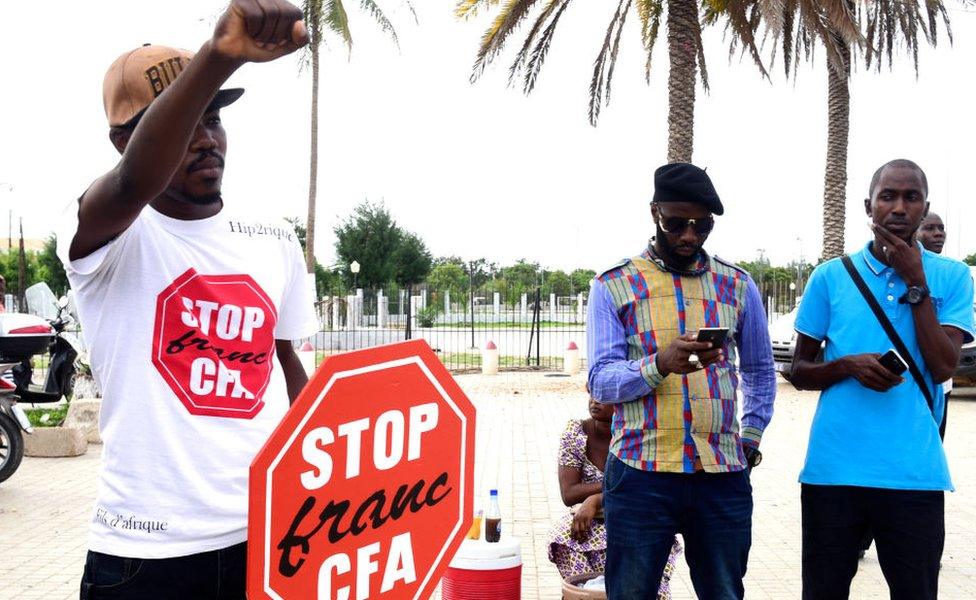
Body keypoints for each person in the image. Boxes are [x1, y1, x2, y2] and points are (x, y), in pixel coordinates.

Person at [56, 3, 317, 598]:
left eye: (215, 120)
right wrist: (217, 57)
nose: (205, 139)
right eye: (184, 121)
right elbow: (130, 184)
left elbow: (288, 368)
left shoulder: (274, 239)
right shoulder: (108, 236)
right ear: (125, 140)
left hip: (268, 536)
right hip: (148, 558)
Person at [586, 163, 775, 600]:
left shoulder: (738, 285)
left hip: (723, 472)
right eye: (676, 224)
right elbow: (600, 380)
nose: (689, 236)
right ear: (654, 213)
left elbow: (760, 371)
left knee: (724, 591)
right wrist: (660, 363)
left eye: (701, 225)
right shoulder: (614, 285)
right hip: (640, 472)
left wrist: (750, 438)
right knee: (631, 592)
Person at [791, 159, 973, 600]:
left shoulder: (952, 275)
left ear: (925, 207)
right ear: (867, 206)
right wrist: (846, 366)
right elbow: (798, 371)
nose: (898, 207)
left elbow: (945, 366)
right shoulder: (831, 277)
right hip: (833, 473)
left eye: (911, 197)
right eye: (888, 196)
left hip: (914, 474)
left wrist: (916, 281)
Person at [547, 392, 682, 597]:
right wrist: (617, 485)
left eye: (606, 395)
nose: (596, 400)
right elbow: (569, 493)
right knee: (564, 535)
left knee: (646, 583)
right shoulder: (576, 433)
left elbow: (647, 488)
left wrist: (595, 499)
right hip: (590, 523)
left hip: (636, 518)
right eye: (593, 392)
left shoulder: (643, 436)